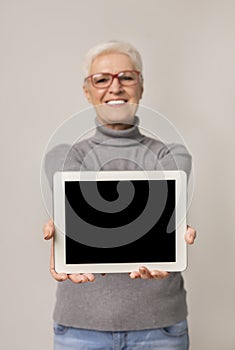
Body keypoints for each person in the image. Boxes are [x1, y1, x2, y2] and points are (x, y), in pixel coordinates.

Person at [43, 40, 196, 350]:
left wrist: (176, 234)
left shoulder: (173, 155)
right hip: (80, 329)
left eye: (126, 77)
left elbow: (155, 222)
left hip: (160, 327)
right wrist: (60, 234)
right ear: (87, 91)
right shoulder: (63, 155)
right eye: (102, 79)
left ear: (140, 86)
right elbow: (82, 215)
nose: (115, 87)